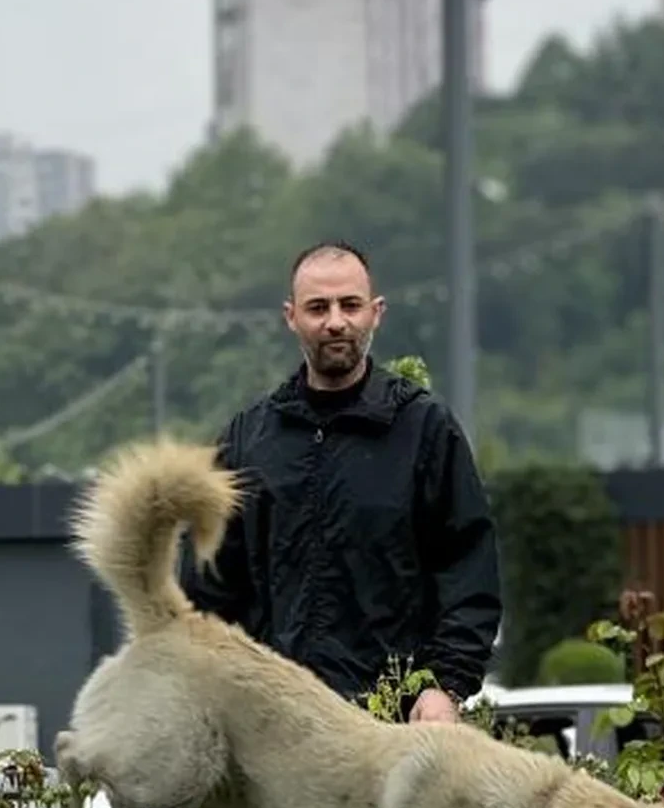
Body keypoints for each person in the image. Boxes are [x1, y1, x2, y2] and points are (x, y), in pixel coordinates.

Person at [181, 240, 501, 721]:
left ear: (376, 313)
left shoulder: (423, 430)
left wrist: (445, 686)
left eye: (350, 305)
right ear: (291, 317)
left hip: (392, 725)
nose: (335, 321)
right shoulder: (248, 440)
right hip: (274, 721)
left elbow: (467, 572)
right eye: (317, 307)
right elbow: (208, 588)